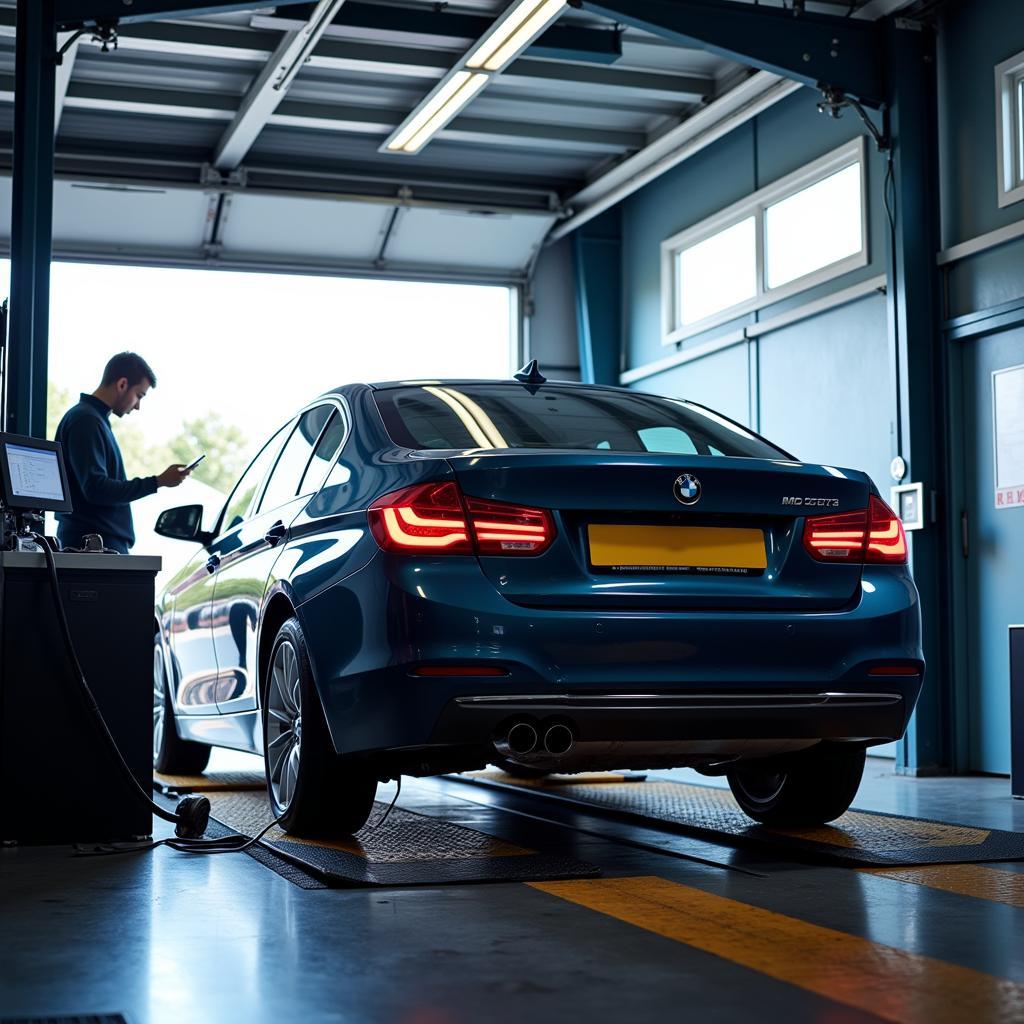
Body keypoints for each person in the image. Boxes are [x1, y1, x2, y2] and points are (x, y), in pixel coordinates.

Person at [54, 352, 191, 553]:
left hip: (98, 545)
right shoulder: (86, 421)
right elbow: (96, 488)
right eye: (139, 395)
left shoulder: (93, 420)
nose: (137, 406)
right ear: (122, 384)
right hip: (93, 547)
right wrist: (158, 481)